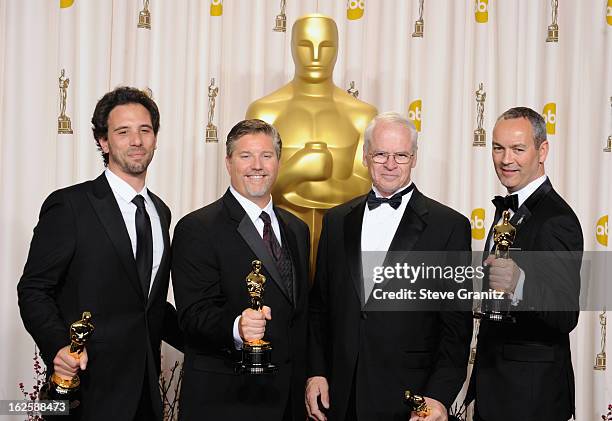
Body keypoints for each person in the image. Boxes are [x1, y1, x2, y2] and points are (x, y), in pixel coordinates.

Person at [17, 86, 182, 420]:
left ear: (154, 138)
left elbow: (148, 304)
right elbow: (34, 290)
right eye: (123, 132)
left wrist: (226, 335)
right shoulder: (70, 206)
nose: (136, 140)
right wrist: (58, 348)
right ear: (104, 142)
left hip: (145, 392)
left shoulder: (160, 212)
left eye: (145, 130)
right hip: (87, 391)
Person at [307, 112, 473, 421]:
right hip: (340, 396)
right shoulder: (336, 220)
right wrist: (315, 372)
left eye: (401, 155)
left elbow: (456, 327)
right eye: (381, 154)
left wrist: (438, 397)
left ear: (414, 159)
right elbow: (319, 307)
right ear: (366, 157)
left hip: (411, 400)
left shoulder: (448, 226)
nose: (390, 164)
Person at [171, 119, 310, 420]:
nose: (256, 165)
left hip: (288, 400)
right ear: (228, 162)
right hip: (227, 401)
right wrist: (237, 328)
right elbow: (192, 315)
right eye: (246, 156)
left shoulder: (297, 229)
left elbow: (300, 315)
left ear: (278, 161)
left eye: (266, 155)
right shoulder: (197, 228)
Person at [468, 107, 583, 421]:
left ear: (542, 150)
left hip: (532, 399)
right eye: (498, 148)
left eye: (518, 149)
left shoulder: (557, 220)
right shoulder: (506, 210)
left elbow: (565, 313)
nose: (506, 160)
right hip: (496, 390)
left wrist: (520, 283)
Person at [246, 14, 377, 264]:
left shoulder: (362, 114)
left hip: (343, 241)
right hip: (275, 238)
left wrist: (306, 189)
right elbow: (248, 184)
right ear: (292, 48)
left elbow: (369, 184)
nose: (316, 56)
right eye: (306, 46)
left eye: (326, 46)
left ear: (337, 49)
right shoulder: (264, 111)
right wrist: (296, 170)